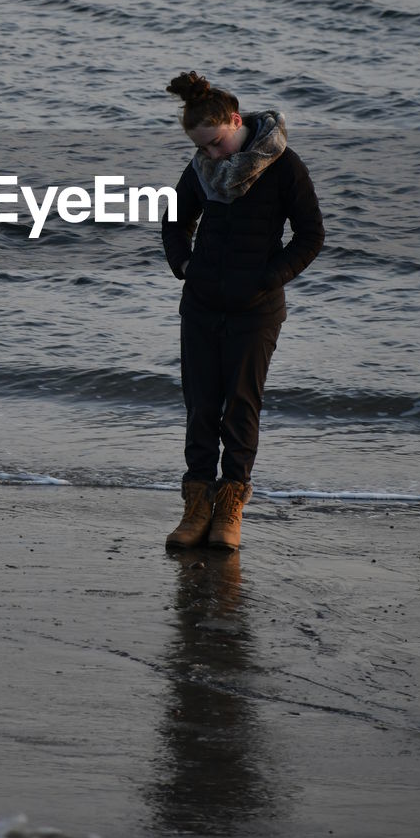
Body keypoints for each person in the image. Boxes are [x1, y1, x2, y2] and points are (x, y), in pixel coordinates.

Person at [161, 72, 324, 551]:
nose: (210, 156)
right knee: (201, 408)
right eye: (202, 148)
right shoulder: (201, 168)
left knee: (240, 409)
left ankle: (229, 510)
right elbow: (173, 217)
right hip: (202, 305)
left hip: (257, 311)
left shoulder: (285, 165)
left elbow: (311, 236)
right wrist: (185, 264)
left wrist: (265, 279)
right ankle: (196, 509)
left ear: (235, 121)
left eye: (215, 144)